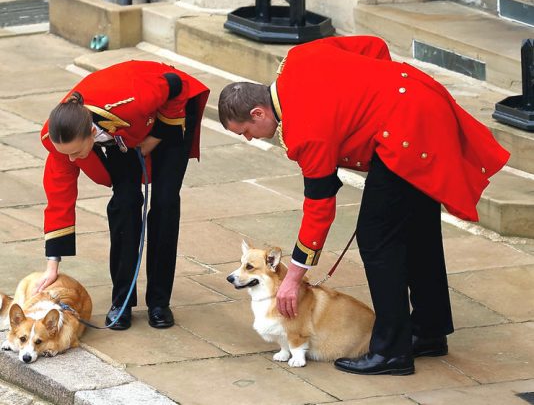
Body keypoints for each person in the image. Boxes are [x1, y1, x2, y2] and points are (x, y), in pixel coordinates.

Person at [218, 35, 510, 375]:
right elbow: (373, 46)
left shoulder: (304, 132)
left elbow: (319, 208)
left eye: (246, 131)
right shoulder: (298, 58)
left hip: (405, 134)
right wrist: (380, 96)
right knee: (418, 230)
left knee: (376, 240)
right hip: (422, 100)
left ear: (258, 112)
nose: (249, 138)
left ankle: (391, 351)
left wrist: (293, 278)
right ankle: (429, 331)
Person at [36, 60, 209, 330]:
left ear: (91, 133)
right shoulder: (59, 139)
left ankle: (159, 302)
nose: (71, 159)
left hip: (168, 113)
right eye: (66, 153)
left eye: (76, 152)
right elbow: (59, 200)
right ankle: (122, 301)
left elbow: (176, 85)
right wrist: (52, 265)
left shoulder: (131, 101)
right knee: (124, 203)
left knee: (164, 202)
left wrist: (156, 137)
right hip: (123, 133)